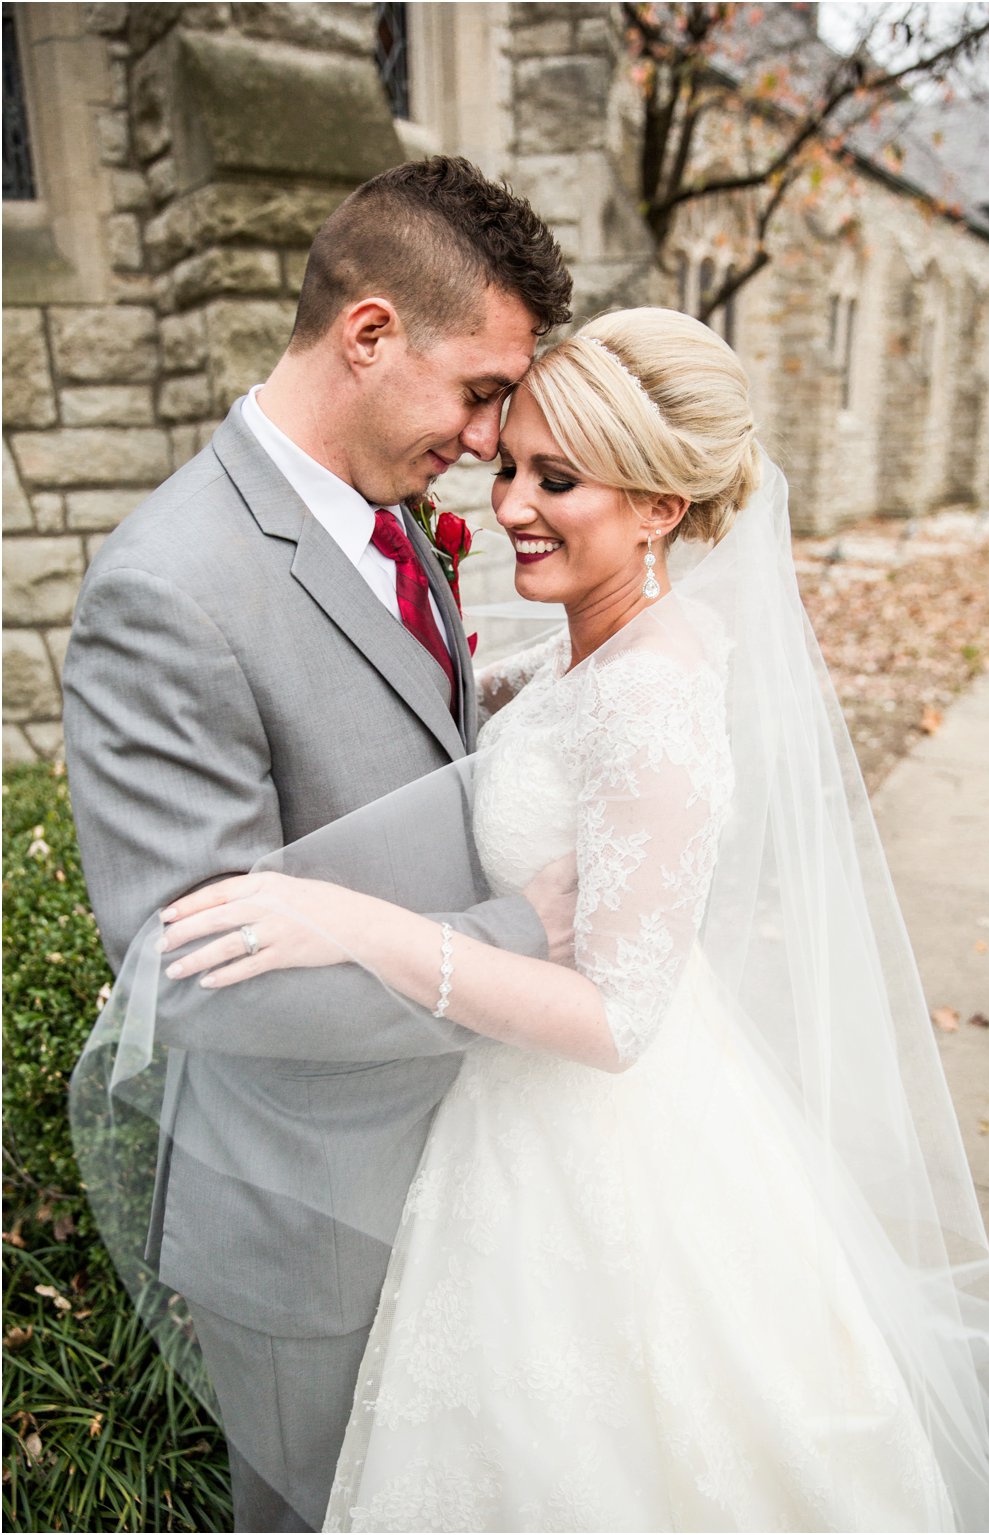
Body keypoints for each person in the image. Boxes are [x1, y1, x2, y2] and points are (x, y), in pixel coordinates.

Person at [86, 310, 989, 1531]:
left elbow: (615, 1015)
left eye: (559, 479)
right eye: (510, 465)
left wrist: (356, 924)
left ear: (659, 510)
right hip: (498, 1120)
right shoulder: (592, 656)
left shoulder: (654, 699)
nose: (514, 502)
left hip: (599, 1144)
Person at [61, 155, 576, 1532]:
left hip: (464, 1164)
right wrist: (529, 938)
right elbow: (200, 969)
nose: (485, 438)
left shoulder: (390, 515)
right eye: (478, 391)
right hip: (310, 1216)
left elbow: (398, 741)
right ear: (368, 334)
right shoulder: (168, 587)